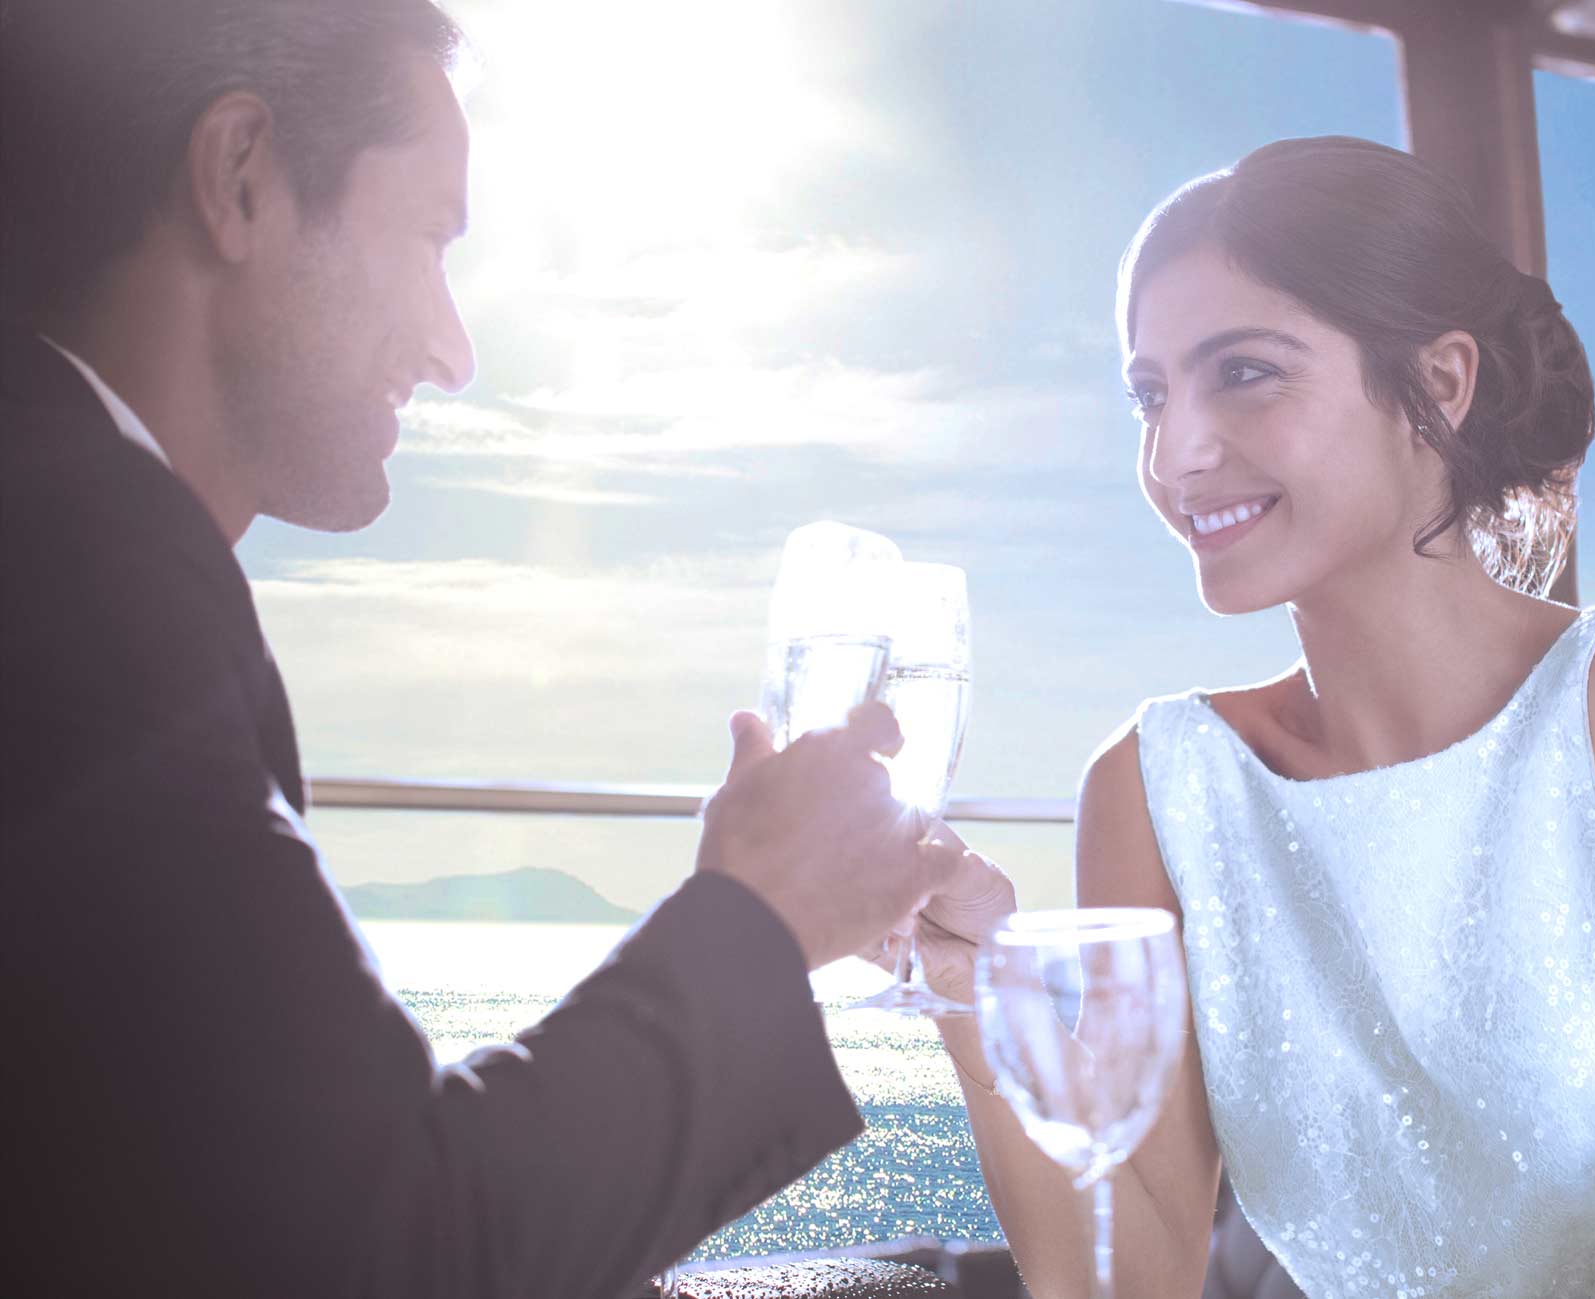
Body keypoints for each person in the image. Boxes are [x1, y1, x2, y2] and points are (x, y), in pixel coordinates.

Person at [0, 2, 957, 1293]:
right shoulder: (73, 585)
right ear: (241, 177)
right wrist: (765, 919)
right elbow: (388, 1251)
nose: (452, 351)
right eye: (430, 238)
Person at [915, 137, 1595, 1298]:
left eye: (1245, 372)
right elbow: (1132, 1278)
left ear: (1441, 383)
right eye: (1150, 396)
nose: (1177, 455)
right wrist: (971, 992)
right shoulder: (1154, 788)